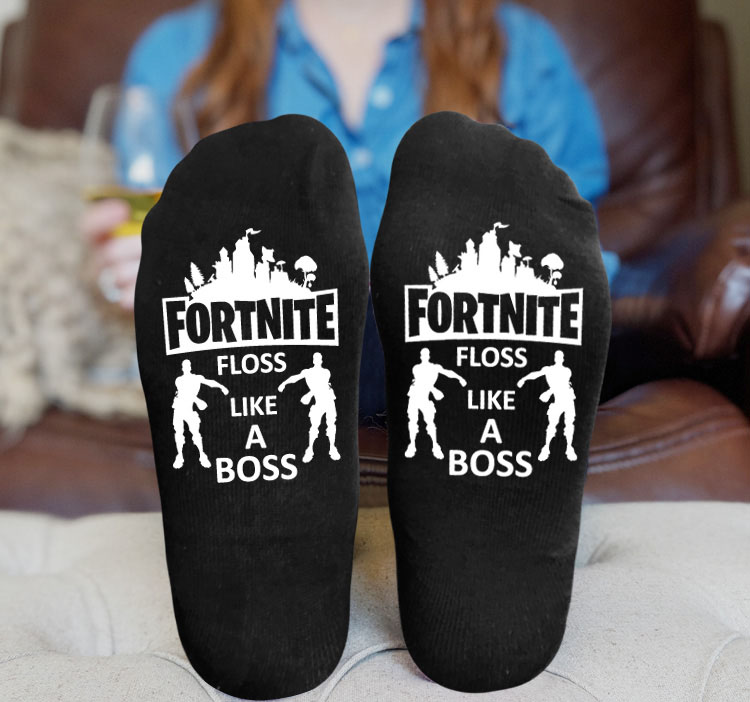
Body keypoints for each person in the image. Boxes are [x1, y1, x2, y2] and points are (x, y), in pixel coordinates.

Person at [83, 0, 618, 420]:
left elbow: (569, 243)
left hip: (468, 350)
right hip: (268, 357)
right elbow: (157, 240)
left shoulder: (524, 49)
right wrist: (144, 267)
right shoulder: (177, 52)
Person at [405, 348, 467, 460]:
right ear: (420, 356)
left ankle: (435, 446)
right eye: (422, 354)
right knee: (413, 421)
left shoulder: (435, 367)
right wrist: (434, 390)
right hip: (414, 396)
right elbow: (420, 382)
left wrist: (459, 378)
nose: (424, 356)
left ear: (428, 356)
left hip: (425, 399)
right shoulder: (417, 368)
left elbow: (448, 373)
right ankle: (412, 445)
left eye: (426, 354)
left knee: (430, 423)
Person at [278, 352, 339, 462]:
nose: (318, 360)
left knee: (331, 424)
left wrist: (309, 395)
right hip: (318, 403)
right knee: (314, 426)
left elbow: (322, 386)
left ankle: (332, 448)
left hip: (329, 400)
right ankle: (310, 450)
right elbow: (295, 378)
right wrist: (284, 383)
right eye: (316, 358)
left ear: (321, 360)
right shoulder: (308, 372)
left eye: (319, 358)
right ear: (313, 360)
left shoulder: (326, 372)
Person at [516, 349, 577, 461]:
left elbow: (562, 385)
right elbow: (535, 374)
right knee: (552, 425)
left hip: (568, 399)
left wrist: (548, 392)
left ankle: (569, 448)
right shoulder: (548, 369)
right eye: (557, 356)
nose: (559, 359)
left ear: (563, 359)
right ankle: (546, 448)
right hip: (557, 401)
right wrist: (524, 379)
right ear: (555, 358)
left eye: (561, 357)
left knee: (569, 424)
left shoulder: (566, 371)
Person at [172, 359, 230, 468]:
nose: (186, 368)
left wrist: (221, 387)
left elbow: (210, 383)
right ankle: (180, 456)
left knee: (196, 433)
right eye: (184, 366)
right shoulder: (179, 379)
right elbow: (184, 393)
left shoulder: (196, 378)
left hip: (189, 410)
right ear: (182, 368)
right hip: (178, 409)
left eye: (188, 365)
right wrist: (198, 401)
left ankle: (202, 455)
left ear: (190, 367)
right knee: (179, 432)